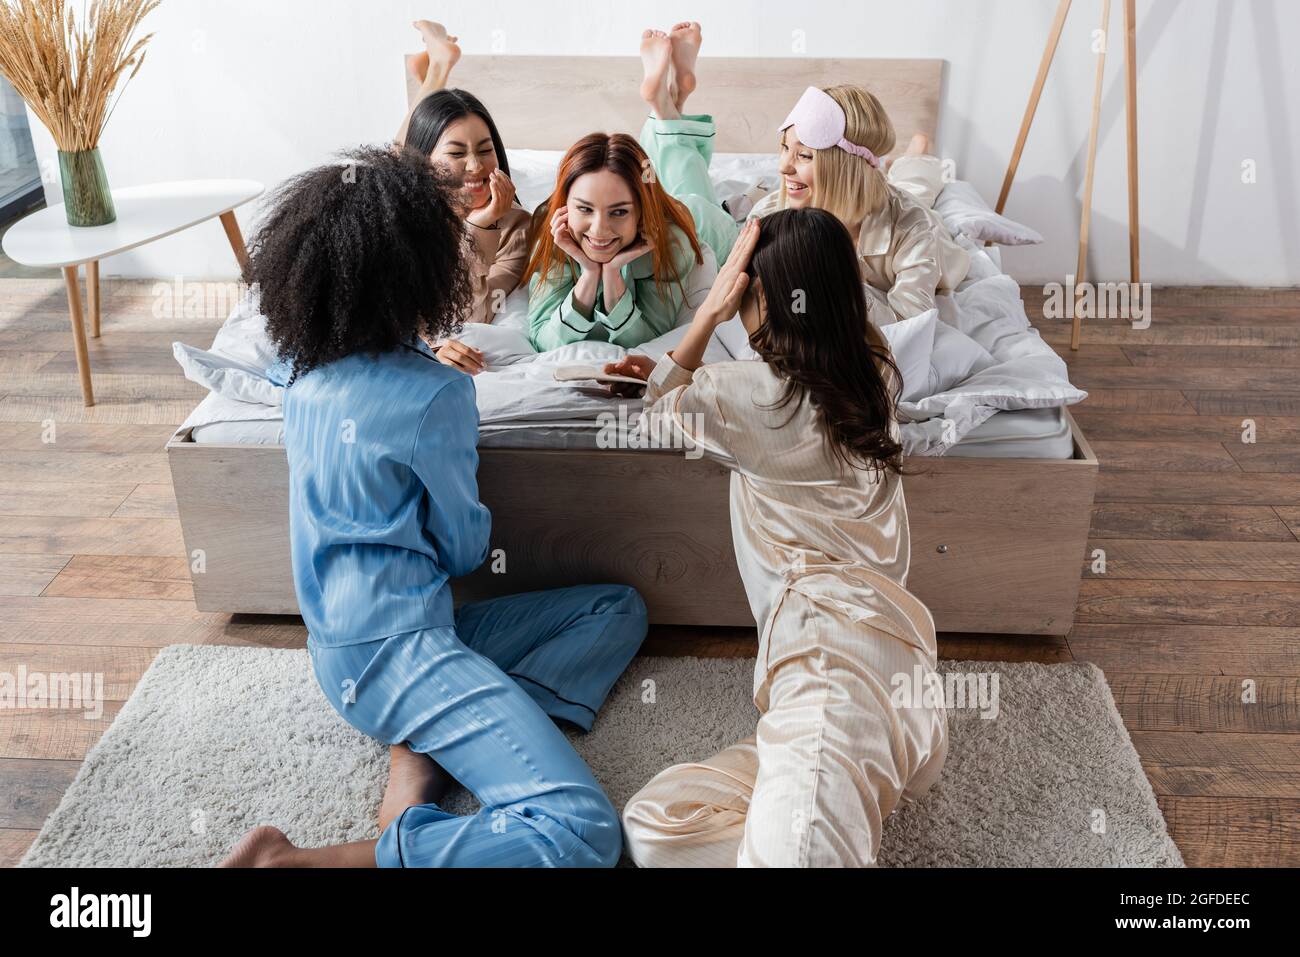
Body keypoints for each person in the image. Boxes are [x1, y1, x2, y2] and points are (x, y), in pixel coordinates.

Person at [220, 146, 647, 868]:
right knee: (582, 832)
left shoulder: (300, 374)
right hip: (403, 651)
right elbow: (462, 548)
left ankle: (428, 739)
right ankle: (299, 861)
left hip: (344, 650)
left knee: (618, 606)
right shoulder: (436, 394)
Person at [608, 211, 948, 867]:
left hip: (827, 676)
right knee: (653, 820)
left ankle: (833, 796)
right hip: (903, 677)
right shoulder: (872, 370)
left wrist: (706, 314)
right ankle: (858, 784)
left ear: (756, 296)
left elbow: (658, 409)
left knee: (662, 837)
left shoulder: (754, 396)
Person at [400, 20, 528, 374]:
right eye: (456, 154)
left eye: (486, 151)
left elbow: (472, 314)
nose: (476, 165)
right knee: (390, 174)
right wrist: (423, 351)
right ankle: (435, 73)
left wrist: (480, 226)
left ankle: (436, 72)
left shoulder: (517, 226)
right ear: (427, 163)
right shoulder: (401, 216)